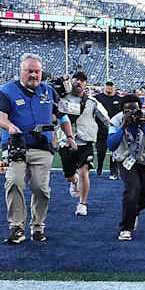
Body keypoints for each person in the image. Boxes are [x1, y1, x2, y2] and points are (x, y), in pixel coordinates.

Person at [0, 54, 73, 244]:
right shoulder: (6, 90)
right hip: (15, 146)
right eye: (29, 71)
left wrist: (69, 137)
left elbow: (62, 116)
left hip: (42, 147)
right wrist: (10, 127)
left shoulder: (49, 92)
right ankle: (16, 227)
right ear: (21, 71)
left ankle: (38, 226)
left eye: (37, 71)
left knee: (40, 188)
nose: (34, 75)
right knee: (14, 181)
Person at [108, 94, 145, 240]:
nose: (132, 114)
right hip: (125, 158)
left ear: (141, 109)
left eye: (135, 110)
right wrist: (123, 126)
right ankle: (126, 227)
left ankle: (133, 212)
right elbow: (111, 146)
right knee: (132, 190)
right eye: (128, 111)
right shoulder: (116, 121)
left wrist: (144, 126)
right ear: (122, 111)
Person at [58, 72, 110, 217]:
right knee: (69, 175)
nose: (79, 83)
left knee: (84, 172)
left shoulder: (92, 102)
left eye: (82, 81)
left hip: (85, 140)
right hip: (66, 141)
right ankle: (73, 181)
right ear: (71, 82)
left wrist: (113, 131)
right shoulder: (62, 99)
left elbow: (105, 118)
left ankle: (82, 204)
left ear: (86, 84)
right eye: (77, 80)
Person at [93, 78, 123, 178]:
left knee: (114, 152)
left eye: (111, 85)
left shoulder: (119, 99)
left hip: (114, 130)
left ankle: (113, 171)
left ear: (114, 87)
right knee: (101, 151)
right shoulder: (97, 98)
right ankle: (99, 168)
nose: (109, 87)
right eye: (107, 85)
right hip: (100, 130)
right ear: (104, 86)